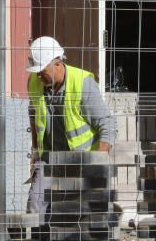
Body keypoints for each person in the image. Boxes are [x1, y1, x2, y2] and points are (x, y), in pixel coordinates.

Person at [26, 36, 117, 223]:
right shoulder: (36, 83)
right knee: (35, 205)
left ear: (58, 63)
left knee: (75, 215)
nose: (38, 76)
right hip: (49, 158)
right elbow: (33, 113)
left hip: (80, 161)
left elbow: (107, 124)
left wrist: (96, 164)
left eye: (42, 70)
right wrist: (35, 152)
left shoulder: (82, 83)